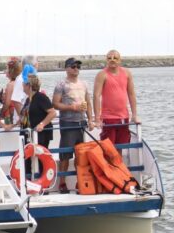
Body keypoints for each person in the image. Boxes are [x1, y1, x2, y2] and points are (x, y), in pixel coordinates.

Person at [53, 57, 94, 193]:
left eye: (78, 66)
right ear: (66, 68)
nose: (76, 68)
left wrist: (91, 119)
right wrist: (73, 107)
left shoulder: (84, 84)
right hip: (68, 123)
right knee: (65, 154)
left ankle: (80, 181)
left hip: (81, 123)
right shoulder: (61, 84)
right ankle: (62, 183)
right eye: (73, 66)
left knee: (80, 154)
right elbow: (55, 104)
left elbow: (88, 102)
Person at [93, 49, 139, 145]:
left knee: (121, 146)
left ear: (120, 60)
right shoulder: (102, 74)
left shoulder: (127, 73)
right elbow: (96, 96)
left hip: (123, 117)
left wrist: (134, 115)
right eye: (109, 58)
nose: (112, 60)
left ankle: (119, 160)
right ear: (106, 60)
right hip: (108, 118)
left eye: (115, 58)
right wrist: (97, 118)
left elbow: (131, 94)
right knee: (108, 147)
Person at [22, 74, 56, 148]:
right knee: (28, 158)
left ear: (28, 85)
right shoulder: (28, 99)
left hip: (40, 134)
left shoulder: (41, 97)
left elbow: (52, 113)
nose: (22, 85)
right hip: (29, 133)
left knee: (39, 157)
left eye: (23, 84)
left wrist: (42, 124)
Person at [1, 57, 22, 125]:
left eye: (7, 69)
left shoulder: (11, 85)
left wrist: (1, 114)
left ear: (11, 71)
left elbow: (7, 103)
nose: (5, 70)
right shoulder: (20, 82)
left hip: (12, 113)